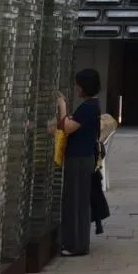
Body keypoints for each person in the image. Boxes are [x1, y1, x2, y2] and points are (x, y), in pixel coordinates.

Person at [57, 67, 101, 257]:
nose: (76, 88)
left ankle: (75, 245)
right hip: (84, 158)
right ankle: (77, 243)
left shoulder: (88, 107)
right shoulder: (91, 105)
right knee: (79, 202)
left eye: (78, 85)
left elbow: (67, 127)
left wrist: (62, 106)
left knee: (75, 203)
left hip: (79, 159)